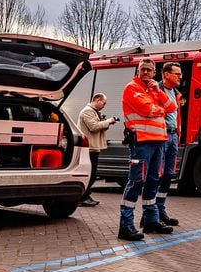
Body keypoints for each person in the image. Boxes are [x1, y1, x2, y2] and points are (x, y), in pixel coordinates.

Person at [119, 59, 177, 240]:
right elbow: (147, 109)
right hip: (142, 142)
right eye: (142, 69)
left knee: (153, 180)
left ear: (154, 73)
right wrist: (160, 108)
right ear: (137, 71)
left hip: (158, 141)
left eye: (149, 70)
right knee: (136, 181)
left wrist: (158, 91)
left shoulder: (154, 89)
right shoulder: (132, 88)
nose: (145, 72)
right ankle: (126, 225)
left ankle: (151, 220)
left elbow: (172, 107)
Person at [153, 61, 184, 227]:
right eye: (177, 74)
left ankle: (161, 208)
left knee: (168, 174)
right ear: (166, 74)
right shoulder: (156, 90)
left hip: (173, 137)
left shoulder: (176, 93)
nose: (180, 77)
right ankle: (152, 214)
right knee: (156, 174)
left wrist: (178, 134)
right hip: (161, 136)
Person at [77, 93, 118, 206]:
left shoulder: (93, 111)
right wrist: (108, 121)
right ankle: (82, 197)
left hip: (93, 147)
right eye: (104, 103)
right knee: (90, 174)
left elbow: (98, 127)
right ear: (98, 100)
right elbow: (94, 127)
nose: (104, 105)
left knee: (92, 174)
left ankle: (85, 195)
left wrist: (107, 123)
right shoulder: (87, 111)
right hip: (89, 148)